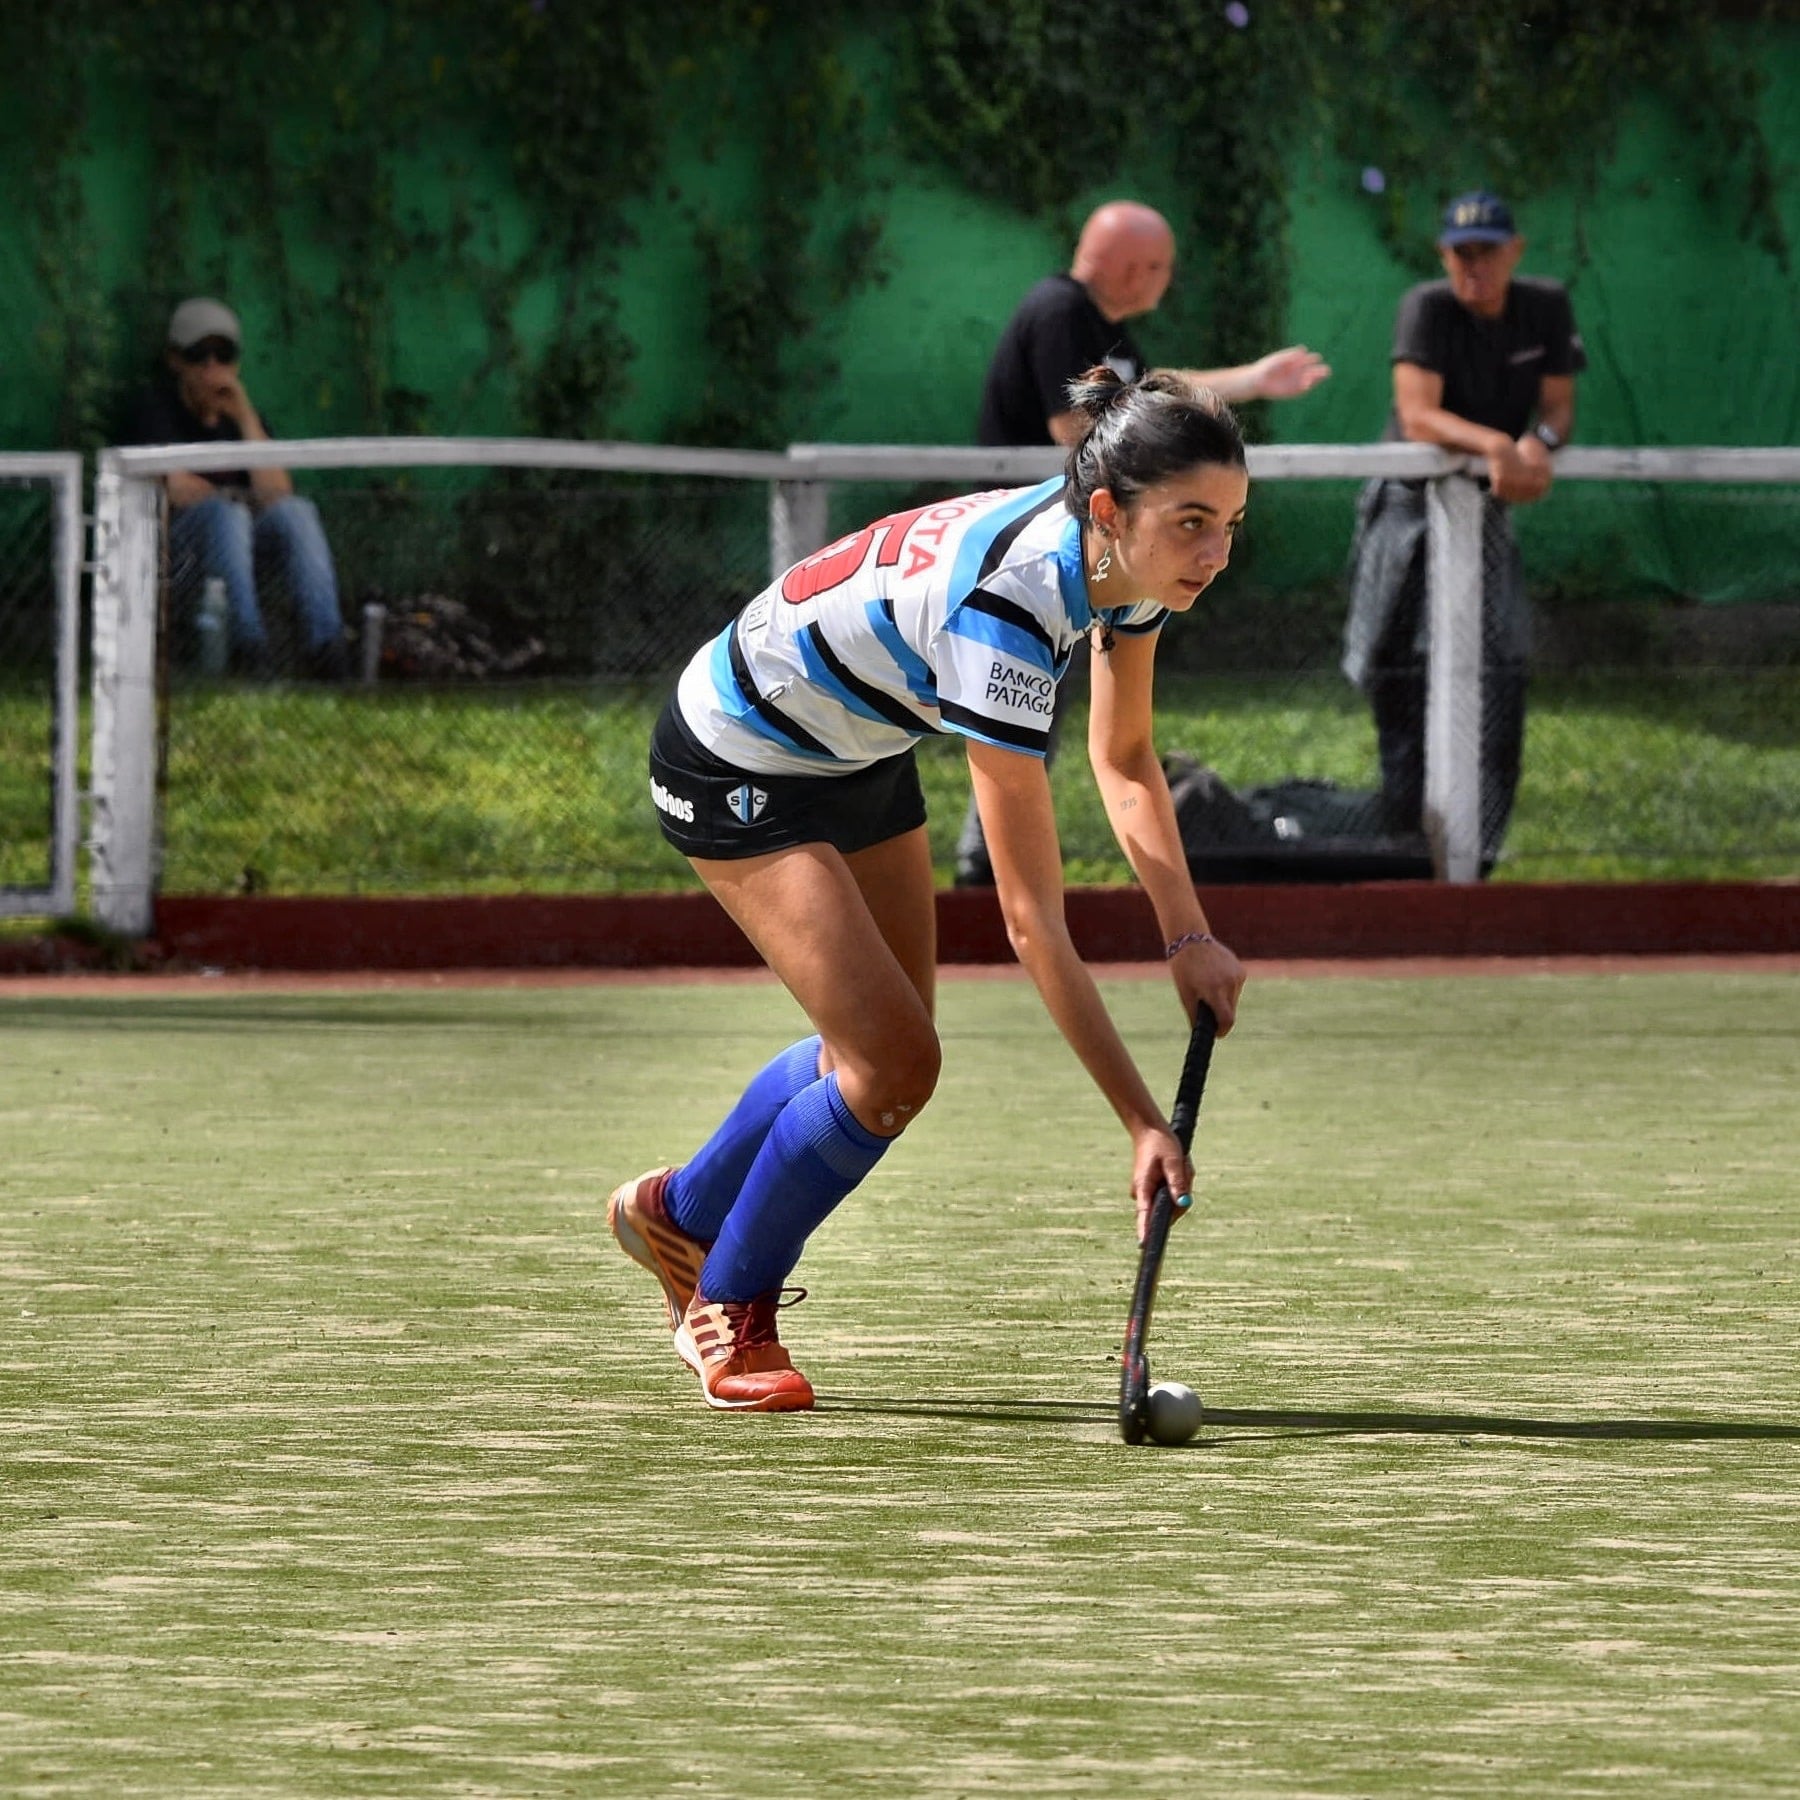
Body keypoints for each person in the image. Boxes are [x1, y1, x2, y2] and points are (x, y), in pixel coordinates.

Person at [609, 366, 1250, 1413]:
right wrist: (1141, 1120)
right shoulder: (1008, 604)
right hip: (739, 758)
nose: (1216, 554)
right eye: (1193, 524)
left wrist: (1189, 938)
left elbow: (1127, 759)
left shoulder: (1129, 568)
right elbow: (1031, 923)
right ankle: (726, 1305)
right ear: (1108, 511)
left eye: (1229, 522)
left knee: (874, 1048)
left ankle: (675, 1214)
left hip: (854, 748)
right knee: (894, 1061)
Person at [958, 199, 1330, 882]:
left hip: (1079, 556)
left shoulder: (1100, 330)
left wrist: (1251, 381)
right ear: (1128, 265)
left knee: (1046, 718)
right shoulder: (1061, 311)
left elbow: (1145, 415)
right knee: (1014, 718)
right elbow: (1086, 435)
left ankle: (990, 873)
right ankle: (987, 875)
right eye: (1159, 266)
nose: (1165, 279)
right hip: (1021, 568)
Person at [1344, 191, 1585, 863]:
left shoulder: (1545, 308)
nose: (1473, 266)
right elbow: (1418, 415)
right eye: (1460, 253)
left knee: (1499, 668)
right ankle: (1404, 843)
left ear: (1516, 250)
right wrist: (1497, 446)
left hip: (1485, 514)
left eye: (1487, 251)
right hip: (1408, 510)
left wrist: (1536, 442)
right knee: (1392, 667)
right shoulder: (1427, 308)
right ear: (1443, 255)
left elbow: (1559, 410)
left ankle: (1476, 855)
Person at [124, 297, 348, 679]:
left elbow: (278, 495)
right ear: (175, 360)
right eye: (200, 355)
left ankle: (326, 648)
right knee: (225, 515)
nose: (213, 368)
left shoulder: (245, 421)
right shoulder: (153, 410)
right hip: (177, 560)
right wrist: (236, 502)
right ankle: (250, 649)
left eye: (223, 355)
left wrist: (244, 420)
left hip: (242, 554)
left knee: (297, 513)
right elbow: (176, 487)